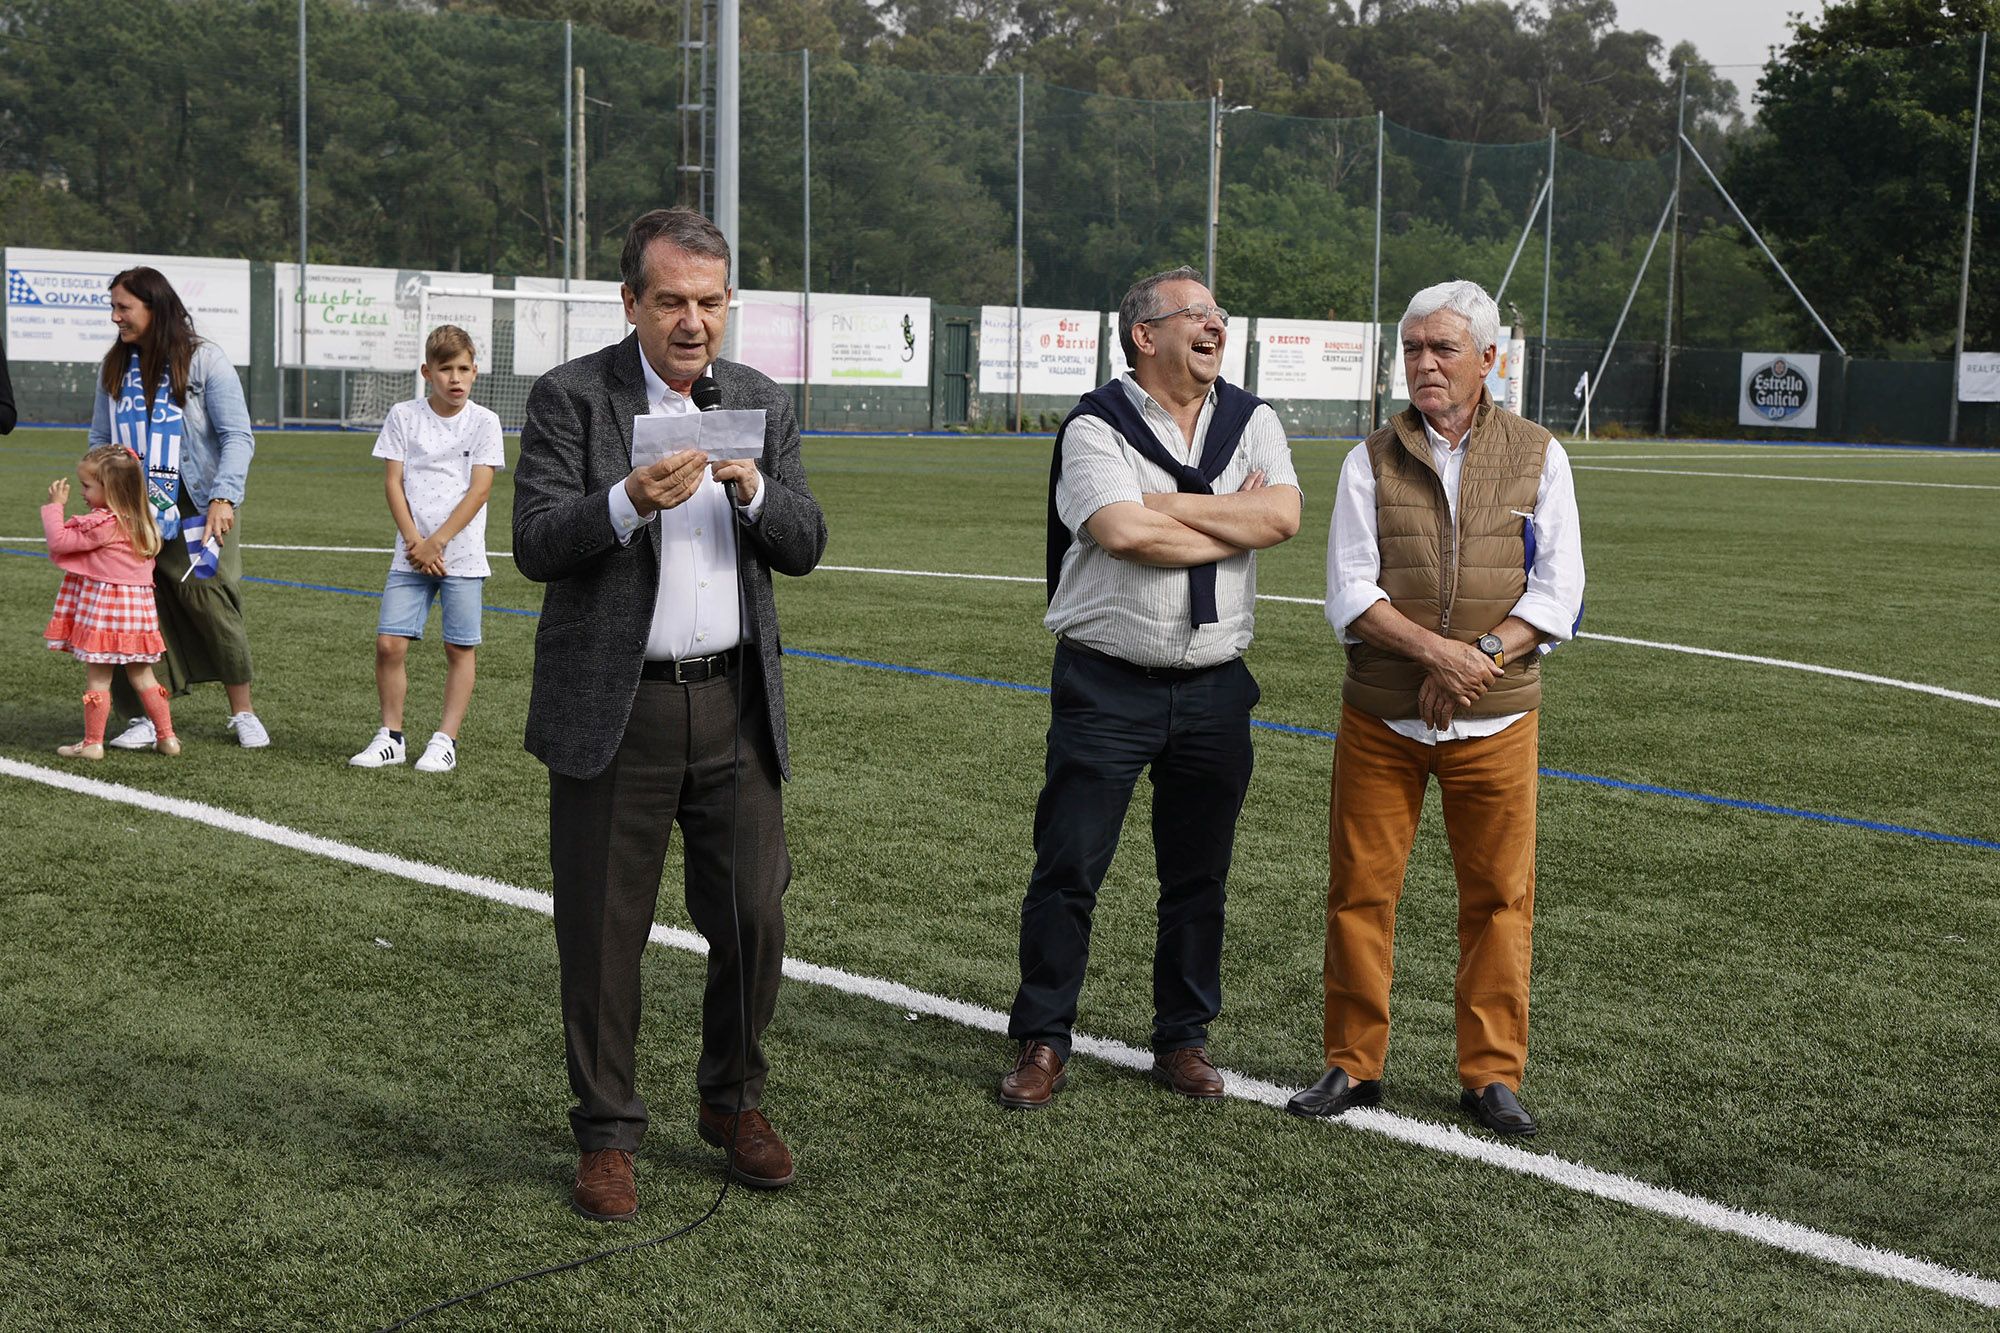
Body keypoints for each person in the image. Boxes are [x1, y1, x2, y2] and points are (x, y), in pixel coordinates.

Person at [513, 207, 827, 1220]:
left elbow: (805, 539)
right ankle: (605, 1134)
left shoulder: (760, 401)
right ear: (631, 303)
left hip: (733, 704)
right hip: (621, 709)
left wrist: (752, 495)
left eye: (710, 302)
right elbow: (536, 541)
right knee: (604, 933)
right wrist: (626, 501)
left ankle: (731, 1102)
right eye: (671, 302)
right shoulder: (572, 398)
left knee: (753, 916)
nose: (693, 323)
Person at [998, 266, 1301, 1110]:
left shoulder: (1254, 418)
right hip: (1107, 682)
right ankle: (1044, 1038)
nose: (1215, 327)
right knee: (1068, 868)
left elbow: (1282, 518)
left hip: (1215, 685)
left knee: (1199, 875)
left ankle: (1182, 1039)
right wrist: (1220, 513)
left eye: (1219, 315)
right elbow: (1124, 533)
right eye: (1195, 315)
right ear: (1145, 335)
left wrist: (1171, 505)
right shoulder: (1096, 425)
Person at [1286, 279, 1584, 1137]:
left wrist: (1478, 660)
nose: (1422, 363)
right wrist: (1436, 655)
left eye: (1442, 348)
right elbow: (1349, 591)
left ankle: (1491, 1074)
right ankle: (1352, 1062)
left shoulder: (1540, 454)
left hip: (1498, 718)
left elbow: (1560, 592)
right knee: (1360, 893)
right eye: (1412, 348)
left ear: (1489, 359)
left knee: (1499, 899)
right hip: (1382, 716)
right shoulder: (1367, 459)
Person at [88, 267, 269, 751]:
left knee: (213, 599)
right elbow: (101, 441)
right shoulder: (113, 368)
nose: (116, 317)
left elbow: (237, 435)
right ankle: (146, 717)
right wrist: (102, 503)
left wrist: (223, 498)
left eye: (124, 308)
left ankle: (243, 712)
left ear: (154, 307)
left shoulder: (205, 359)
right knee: (135, 607)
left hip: (196, 502)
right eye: (114, 307)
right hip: (132, 510)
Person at [348, 325, 505, 774]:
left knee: (459, 648)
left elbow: (480, 490)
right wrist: (417, 542)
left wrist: (439, 541)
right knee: (389, 644)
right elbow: (393, 482)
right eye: (445, 369)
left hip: (462, 554)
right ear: (426, 372)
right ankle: (391, 737)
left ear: (475, 371)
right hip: (411, 553)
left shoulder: (485, 422)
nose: (455, 378)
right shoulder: (403, 416)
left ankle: (444, 740)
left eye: (463, 369)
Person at [41, 444, 179, 759]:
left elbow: (59, 541)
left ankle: (92, 743)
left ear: (111, 488)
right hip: (137, 616)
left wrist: (55, 506)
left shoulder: (103, 524)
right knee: (143, 675)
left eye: (88, 486)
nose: (82, 492)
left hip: (105, 613)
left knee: (99, 676)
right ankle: (168, 737)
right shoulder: (143, 523)